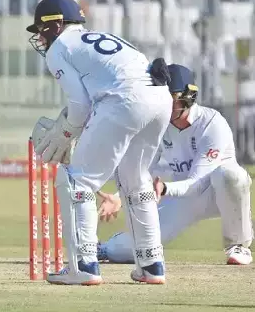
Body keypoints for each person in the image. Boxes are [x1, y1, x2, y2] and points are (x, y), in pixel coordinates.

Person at [28, 0, 172, 285]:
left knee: (76, 181)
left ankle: (83, 266)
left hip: (124, 101)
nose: (41, 39)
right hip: (160, 98)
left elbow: (80, 106)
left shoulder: (60, 48)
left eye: (42, 30)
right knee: (136, 180)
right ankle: (151, 265)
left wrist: (66, 132)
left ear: (56, 25)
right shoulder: (102, 36)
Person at [97, 64, 253, 266]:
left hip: (218, 191)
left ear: (190, 96)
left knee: (231, 175)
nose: (167, 106)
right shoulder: (159, 124)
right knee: (135, 250)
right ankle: (105, 247)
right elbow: (143, 167)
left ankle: (239, 244)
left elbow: (198, 182)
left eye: (173, 98)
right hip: (185, 198)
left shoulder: (212, 123)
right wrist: (119, 197)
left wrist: (165, 189)